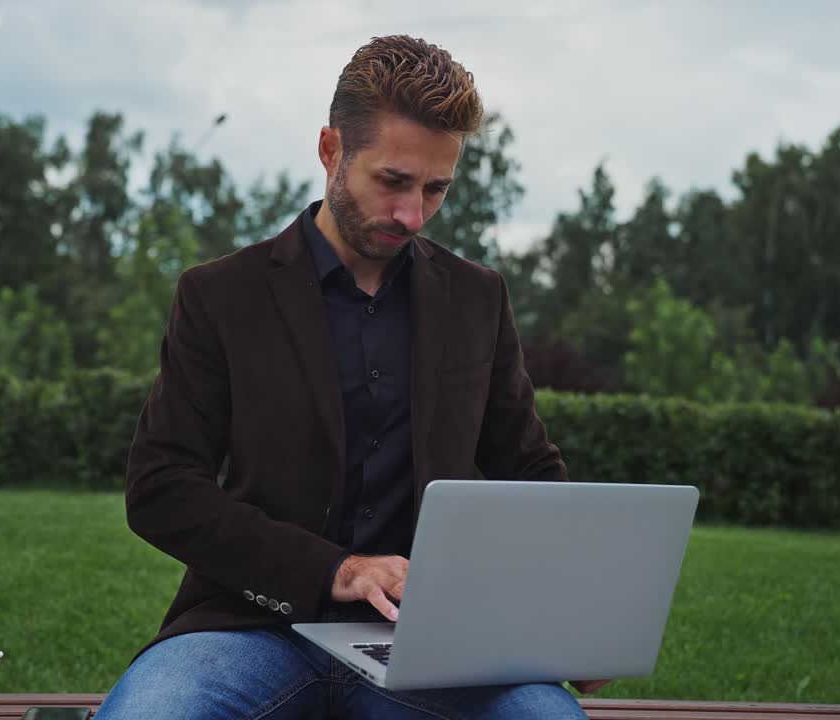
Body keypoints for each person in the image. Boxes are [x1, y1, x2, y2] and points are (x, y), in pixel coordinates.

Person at [99, 34, 608, 720]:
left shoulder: (477, 299)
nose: (413, 214)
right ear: (330, 150)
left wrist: (571, 619)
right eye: (393, 181)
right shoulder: (220, 295)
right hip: (249, 627)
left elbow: (529, 472)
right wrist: (335, 571)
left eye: (435, 189)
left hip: (436, 645)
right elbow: (161, 489)